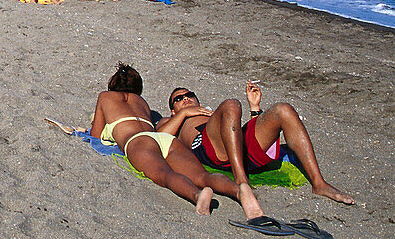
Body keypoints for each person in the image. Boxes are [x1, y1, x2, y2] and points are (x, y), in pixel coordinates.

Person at [91, 63, 255, 217]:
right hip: (164, 138)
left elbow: (96, 135)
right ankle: (238, 190)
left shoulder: (105, 97)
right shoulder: (141, 102)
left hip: (138, 141)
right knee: (202, 176)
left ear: (112, 85)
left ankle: (197, 195)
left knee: (165, 174)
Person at [158, 82, 354, 205]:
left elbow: (238, 131)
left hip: (236, 146)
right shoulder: (172, 120)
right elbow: (159, 136)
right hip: (209, 146)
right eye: (178, 99)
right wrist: (184, 114)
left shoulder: (211, 112)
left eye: (189, 95)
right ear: (172, 110)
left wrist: (255, 108)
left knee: (283, 109)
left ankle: (319, 183)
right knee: (232, 104)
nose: (185, 99)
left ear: (197, 99)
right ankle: (241, 181)